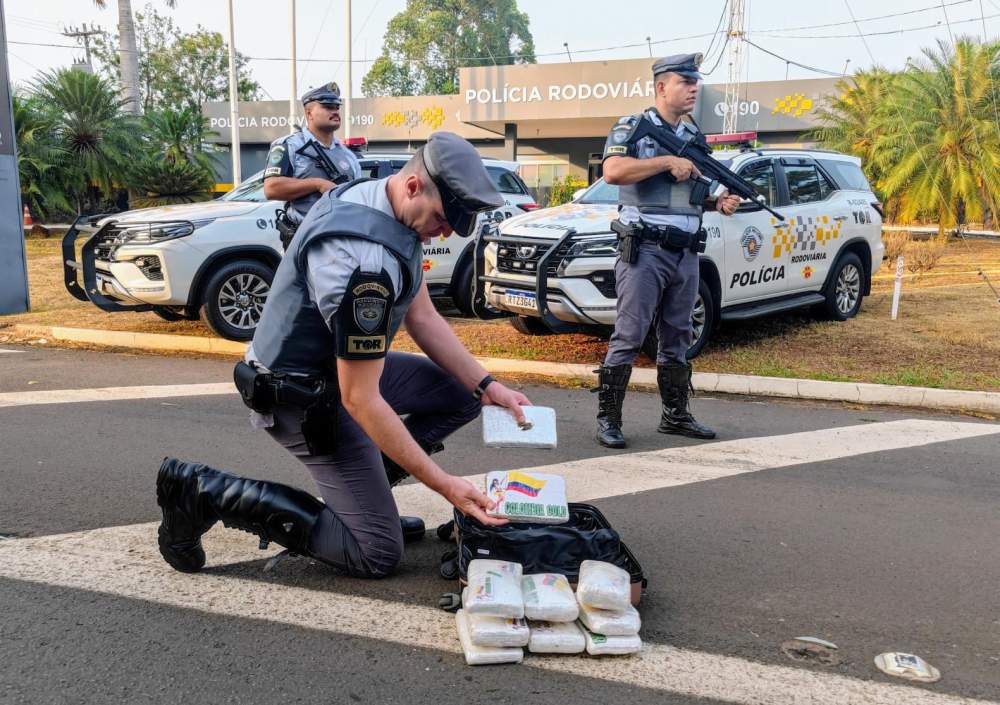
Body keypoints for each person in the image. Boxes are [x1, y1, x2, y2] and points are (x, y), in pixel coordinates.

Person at [156, 132, 531, 579]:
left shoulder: (382, 200)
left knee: (464, 393)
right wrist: (444, 484)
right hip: (299, 395)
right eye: (442, 218)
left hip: (338, 374)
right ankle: (201, 492)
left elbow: (422, 315)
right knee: (375, 554)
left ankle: (365, 499)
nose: (447, 231)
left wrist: (488, 385)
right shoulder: (361, 266)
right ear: (413, 185)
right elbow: (360, 400)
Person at [594, 53, 741, 449]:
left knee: (678, 336)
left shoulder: (692, 135)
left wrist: (716, 202)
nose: (694, 88)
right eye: (685, 82)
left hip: (685, 253)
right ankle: (608, 419)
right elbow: (612, 171)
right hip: (645, 249)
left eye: (696, 82)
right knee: (630, 333)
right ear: (661, 86)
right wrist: (665, 161)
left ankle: (675, 415)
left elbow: (686, 194)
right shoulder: (633, 128)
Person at [263, 82, 363, 249]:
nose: (335, 111)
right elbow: (271, 188)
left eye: (337, 107)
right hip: (304, 241)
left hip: (341, 240)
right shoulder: (290, 145)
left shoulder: (348, 155)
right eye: (327, 107)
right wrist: (317, 184)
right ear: (309, 113)